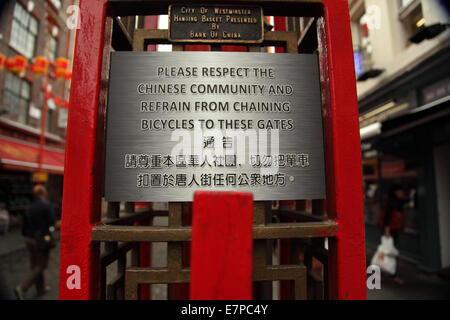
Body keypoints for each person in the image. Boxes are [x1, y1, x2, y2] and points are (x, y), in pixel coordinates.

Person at [14, 185, 56, 300]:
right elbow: (52, 220)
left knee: (35, 265)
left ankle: (41, 289)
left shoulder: (29, 207)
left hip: (29, 239)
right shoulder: (46, 205)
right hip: (41, 239)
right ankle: (22, 288)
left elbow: (23, 226)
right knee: (41, 265)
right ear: (42, 193)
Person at [377, 184, 407, 285]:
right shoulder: (392, 203)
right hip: (390, 231)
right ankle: (388, 275)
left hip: (393, 230)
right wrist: (387, 231)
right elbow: (387, 217)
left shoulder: (398, 202)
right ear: (395, 192)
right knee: (388, 252)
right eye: (400, 190)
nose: (401, 193)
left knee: (388, 252)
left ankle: (388, 274)